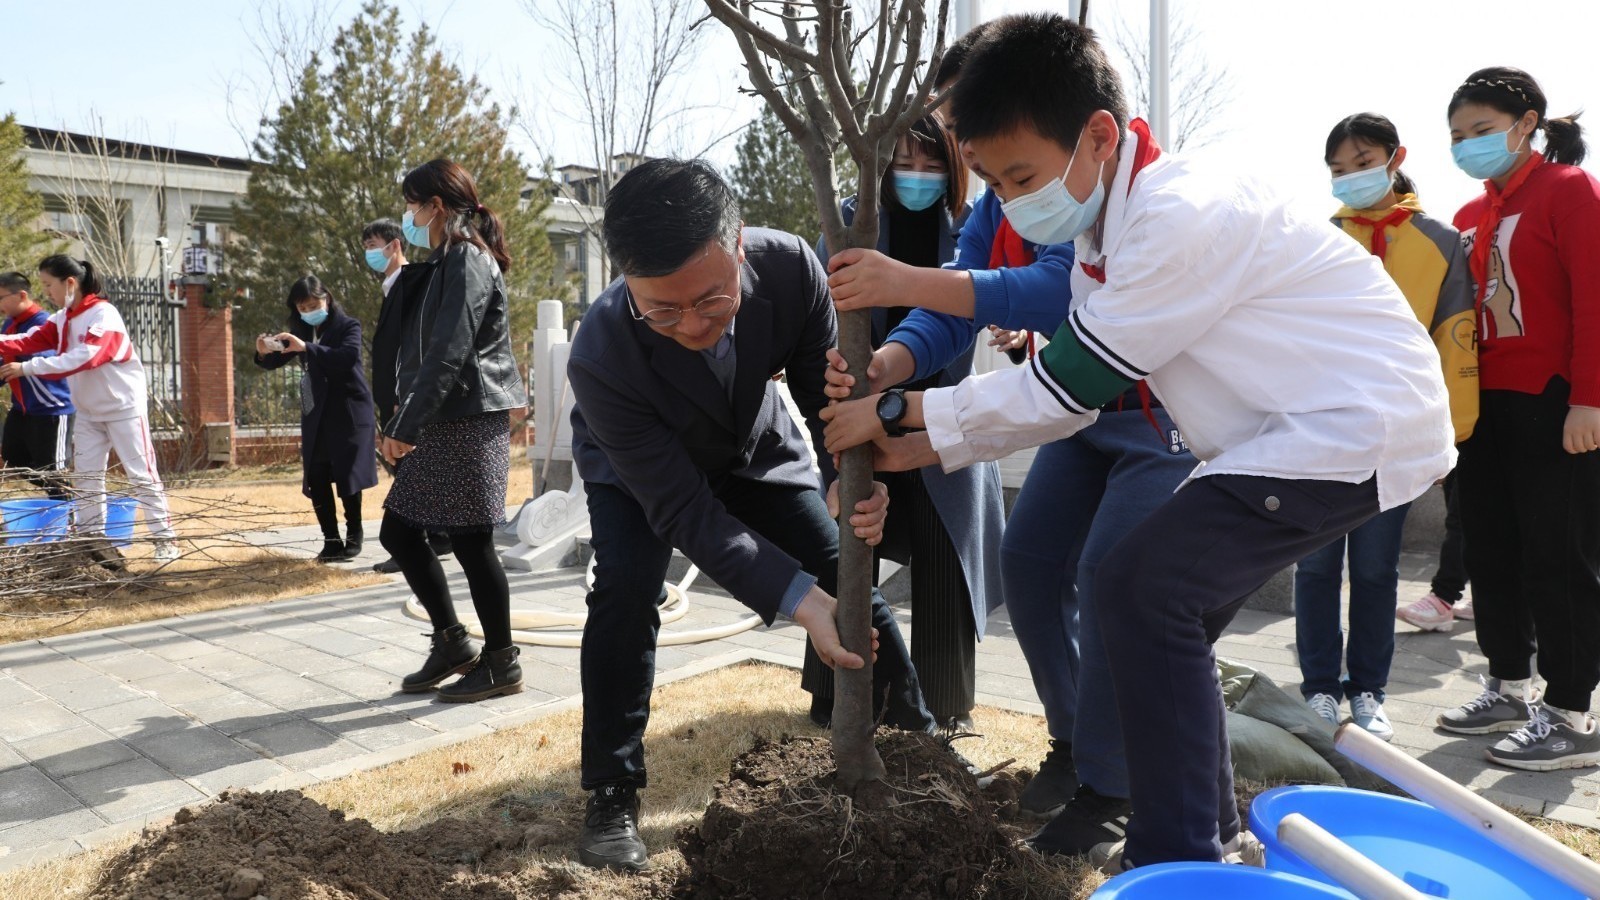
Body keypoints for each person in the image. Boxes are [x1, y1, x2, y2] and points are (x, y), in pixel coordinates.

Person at [821, 14, 1452, 868]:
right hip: (1281, 435)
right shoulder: (1099, 238)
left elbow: (1072, 380)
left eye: (1020, 176)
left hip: (1351, 428)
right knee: (1152, 620)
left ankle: (1181, 850)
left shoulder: (1178, 214)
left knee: (1141, 594)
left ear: (1098, 135)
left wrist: (907, 421)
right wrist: (917, 434)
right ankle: (1202, 829)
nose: (1010, 201)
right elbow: (1072, 405)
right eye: (995, 185)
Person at [821, 21, 1194, 841]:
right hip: (1073, 415)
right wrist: (889, 359)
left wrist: (913, 290)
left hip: (1150, 417)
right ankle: (1075, 742)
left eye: (978, 138)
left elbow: (1050, 290)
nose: (972, 157)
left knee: (1108, 578)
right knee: (1027, 566)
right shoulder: (1000, 203)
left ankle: (1110, 788)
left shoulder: (1117, 201)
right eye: (968, 144)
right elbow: (956, 303)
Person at [566, 158, 933, 873]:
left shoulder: (792, 268)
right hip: (640, 473)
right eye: (661, 311)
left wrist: (848, 477)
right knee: (624, 592)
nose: (690, 325)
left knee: (843, 567)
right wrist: (797, 602)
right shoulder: (603, 352)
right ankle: (611, 790)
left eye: (710, 302)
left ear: (738, 250)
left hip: (750, 445)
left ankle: (919, 747)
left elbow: (831, 390)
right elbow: (682, 509)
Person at [803, 110, 1006, 734]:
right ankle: (838, 693)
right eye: (904, 165)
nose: (918, 177)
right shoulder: (844, 230)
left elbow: (975, 309)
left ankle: (947, 706)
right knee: (843, 552)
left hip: (943, 425)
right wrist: (833, 445)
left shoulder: (970, 232)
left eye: (932, 165)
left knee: (946, 554)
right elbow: (817, 347)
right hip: (857, 424)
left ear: (955, 170)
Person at [1434, 68, 1600, 772]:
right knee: (1489, 551)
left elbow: (1595, 299)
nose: (1468, 145)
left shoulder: (1569, 192)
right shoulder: (1469, 217)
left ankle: (1571, 712)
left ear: (1526, 123)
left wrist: (1589, 399)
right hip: (1481, 410)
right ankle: (1507, 684)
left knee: (1557, 558)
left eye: (1481, 131)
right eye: (1458, 137)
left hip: (1553, 401)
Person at [1293, 113, 1478, 739]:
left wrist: (1447, 435)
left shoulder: (1440, 242)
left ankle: (1368, 690)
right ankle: (1318, 688)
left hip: (1396, 436)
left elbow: (1455, 341)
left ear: (1396, 157)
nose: (1350, 179)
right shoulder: (1317, 239)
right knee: (1315, 568)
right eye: (1338, 171)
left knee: (1375, 570)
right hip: (1321, 435)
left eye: (1363, 163)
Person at [377, 160, 524, 703]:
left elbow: (450, 350)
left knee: (471, 541)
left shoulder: (466, 258)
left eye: (413, 204)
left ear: (435, 206)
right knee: (404, 532)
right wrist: (403, 415)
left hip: (466, 415)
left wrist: (407, 424)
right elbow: (424, 353)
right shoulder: (446, 260)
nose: (409, 216)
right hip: (447, 416)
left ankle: (501, 660)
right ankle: (453, 643)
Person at [0, 256, 181, 565]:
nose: (47, 293)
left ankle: (165, 541)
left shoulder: (104, 315)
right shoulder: (62, 318)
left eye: (49, 285)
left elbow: (86, 357)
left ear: (70, 283)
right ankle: (91, 540)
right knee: (87, 477)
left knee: (141, 475)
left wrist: (28, 368)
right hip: (87, 412)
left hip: (123, 408)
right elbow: (25, 340)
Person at [253, 276, 379, 562]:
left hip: (348, 411)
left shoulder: (348, 325)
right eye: (303, 306)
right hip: (316, 412)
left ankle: (354, 534)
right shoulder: (300, 331)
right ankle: (331, 540)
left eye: (314, 304)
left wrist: (307, 348)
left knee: (347, 474)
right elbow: (275, 361)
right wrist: (263, 352)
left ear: (328, 299)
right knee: (318, 474)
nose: (310, 310)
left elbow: (347, 357)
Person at [363, 218, 454, 575]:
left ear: (394, 245)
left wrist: (406, 395)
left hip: (404, 397)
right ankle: (439, 533)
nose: (370, 252)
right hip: (396, 396)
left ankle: (411, 544)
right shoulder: (392, 285)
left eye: (374, 244)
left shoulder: (411, 282)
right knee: (412, 469)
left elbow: (413, 345)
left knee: (409, 470)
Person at [0, 271, 73, 499]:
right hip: (23, 408)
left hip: (51, 408)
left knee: (52, 469)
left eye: (0, 298)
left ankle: (68, 516)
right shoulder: (10, 324)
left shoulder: (43, 323)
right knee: (14, 457)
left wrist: (21, 361)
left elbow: (46, 361)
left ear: (21, 295)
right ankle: (63, 497)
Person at [1401, 471, 1473, 630]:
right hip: (1464, 450)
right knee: (1460, 512)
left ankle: (1443, 598)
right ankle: (1491, 595)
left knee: (1464, 518)